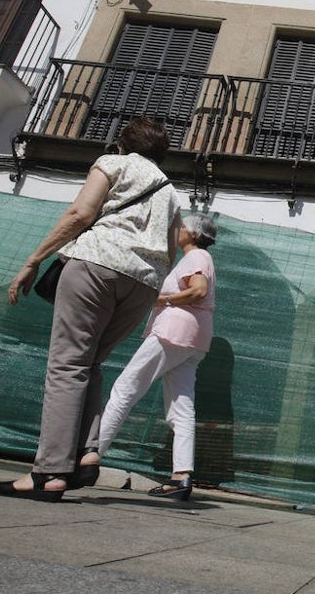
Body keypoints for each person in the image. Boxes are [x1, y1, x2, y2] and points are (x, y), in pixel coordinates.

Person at [0, 117, 182, 502]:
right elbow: (170, 249)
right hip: (144, 283)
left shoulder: (112, 163)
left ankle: (48, 473)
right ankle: (85, 453)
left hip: (96, 266)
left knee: (67, 364)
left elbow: (81, 214)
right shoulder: (171, 192)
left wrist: (33, 260)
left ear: (120, 144)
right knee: (91, 363)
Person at [97, 213, 218, 502]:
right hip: (195, 340)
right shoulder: (197, 258)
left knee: (126, 388)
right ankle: (181, 476)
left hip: (173, 332)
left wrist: (162, 300)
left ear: (191, 232)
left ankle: (87, 457)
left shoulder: (196, 256)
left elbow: (198, 291)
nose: (176, 231)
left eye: (181, 227)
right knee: (181, 407)